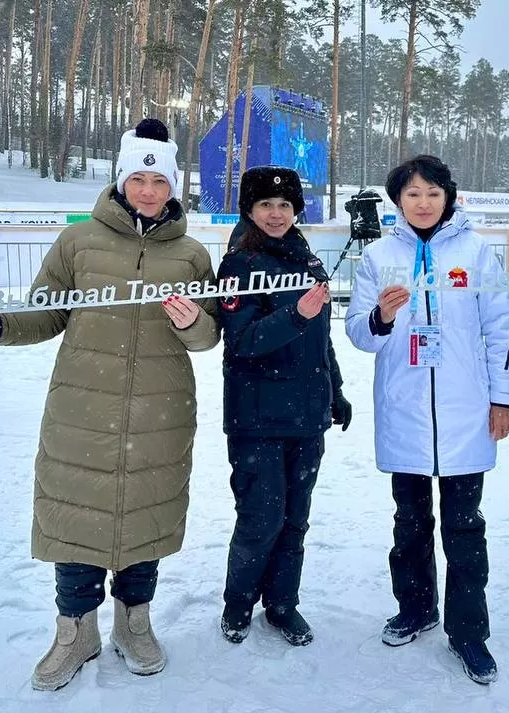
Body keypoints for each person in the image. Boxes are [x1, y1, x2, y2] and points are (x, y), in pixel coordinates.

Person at [0, 118, 221, 691]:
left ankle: (134, 622)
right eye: (138, 179)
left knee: (147, 514)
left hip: (159, 413)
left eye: (160, 181)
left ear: (173, 186)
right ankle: (75, 632)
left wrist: (192, 323)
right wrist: (0, 326)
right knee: (76, 516)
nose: (148, 191)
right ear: (121, 180)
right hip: (83, 409)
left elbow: (208, 336)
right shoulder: (77, 242)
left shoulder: (193, 255)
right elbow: (46, 312)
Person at [345, 155, 509, 686]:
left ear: (448, 197)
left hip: (466, 413)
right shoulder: (378, 255)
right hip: (405, 414)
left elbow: (503, 327)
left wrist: (503, 399)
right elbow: (358, 333)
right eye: (412, 194)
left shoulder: (476, 252)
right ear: (398, 201)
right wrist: (382, 316)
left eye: (432, 193)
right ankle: (416, 608)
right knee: (410, 524)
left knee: (465, 530)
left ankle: (469, 632)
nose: (422, 203)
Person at [216, 165, 353, 647]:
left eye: (284, 205)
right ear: (249, 210)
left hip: (307, 415)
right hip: (258, 417)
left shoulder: (308, 261)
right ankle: (238, 603)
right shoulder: (239, 265)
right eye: (265, 205)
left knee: (295, 520)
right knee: (261, 519)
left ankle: (281, 604)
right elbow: (242, 342)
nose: (275, 214)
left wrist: (335, 389)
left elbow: (321, 337)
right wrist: (296, 313)